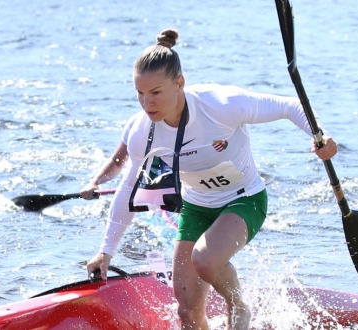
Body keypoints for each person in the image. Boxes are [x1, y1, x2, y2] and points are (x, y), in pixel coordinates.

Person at [80, 29, 337, 330]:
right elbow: (129, 189)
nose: (146, 103)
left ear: (180, 83)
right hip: (196, 207)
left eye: (156, 92)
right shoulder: (141, 132)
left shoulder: (221, 105)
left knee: (205, 259)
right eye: (140, 93)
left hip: (244, 200)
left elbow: (289, 106)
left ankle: (239, 305)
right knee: (187, 314)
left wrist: (320, 136)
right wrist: (106, 251)